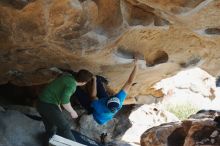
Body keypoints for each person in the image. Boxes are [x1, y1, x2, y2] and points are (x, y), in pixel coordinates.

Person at [74, 59, 138, 125]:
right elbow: (129, 82)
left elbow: (93, 96)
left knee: (79, 92)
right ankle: (98, 80)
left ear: (106, 102)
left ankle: (75, 84)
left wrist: (94, 80)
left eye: (110, 97)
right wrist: (136, 65)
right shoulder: (119, 99)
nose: (111, 96)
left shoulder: (100, 107)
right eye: (113, 97)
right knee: (98, 80)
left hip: (96, 113)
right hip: (104, 105)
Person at [36, 69, 93, 141]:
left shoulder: (68, 76)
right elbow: (65, 101)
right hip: (48, 104)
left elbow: (56, 91)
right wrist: (72, 111)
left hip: (41, 102)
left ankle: (47, 142)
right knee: (65, 127)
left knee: (51, 127)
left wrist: (58, 105)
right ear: (84, 82)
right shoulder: (72, 85)